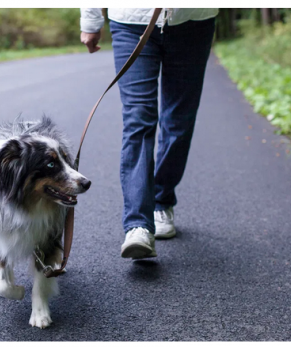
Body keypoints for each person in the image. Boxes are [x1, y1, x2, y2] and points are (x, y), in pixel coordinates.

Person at [80, 8, 218, 259]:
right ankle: (138, 225)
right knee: (138, 119)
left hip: (194, 22)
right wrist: (91, 18)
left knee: (180, 121)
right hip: (132, 21)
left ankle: (162, 201)